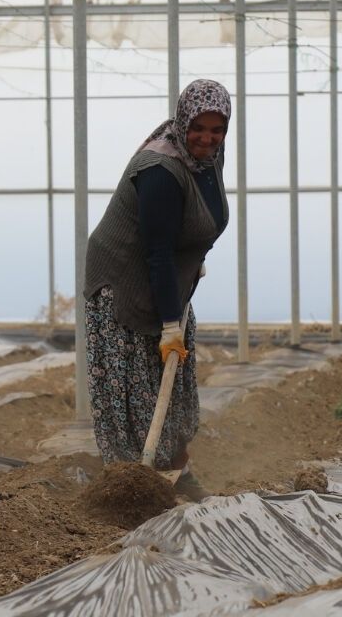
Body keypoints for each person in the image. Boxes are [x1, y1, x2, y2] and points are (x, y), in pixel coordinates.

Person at [84, 78, 231, 501]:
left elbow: (197, 216)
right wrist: (170, 325)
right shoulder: (161, 170)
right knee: (134, 386)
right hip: (124, 283)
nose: (207, 138)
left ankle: (177, 471)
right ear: (182, 123)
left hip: (169, 276)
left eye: (216, 129)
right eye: (197, 128)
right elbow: (158, 251)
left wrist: (195, 257)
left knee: (174, 380)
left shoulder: (209, 158)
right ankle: (132, 483)